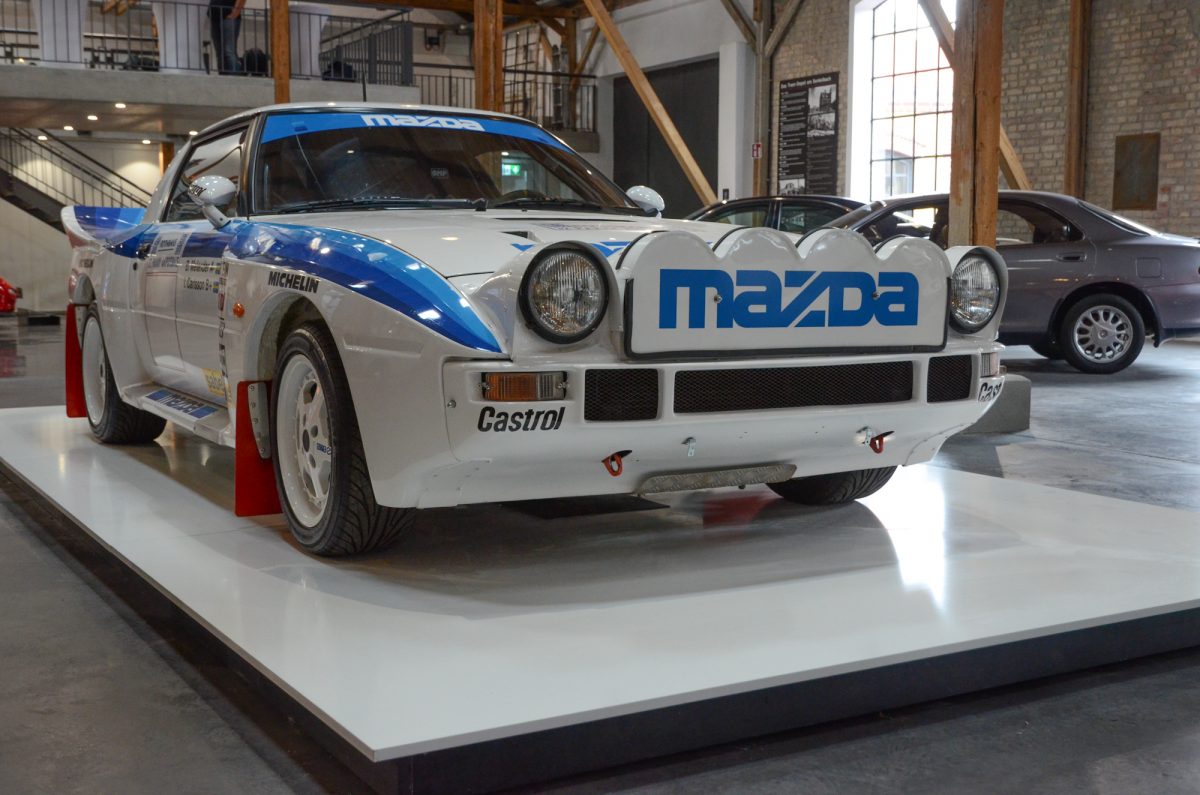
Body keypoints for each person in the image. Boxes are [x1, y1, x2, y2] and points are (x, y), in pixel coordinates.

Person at [209, 0, 246, 74]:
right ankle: (223, 74)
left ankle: (234, 75)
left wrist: (235, 12)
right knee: (220, 51)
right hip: (215, 16)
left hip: (228, 16)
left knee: (229, 50)